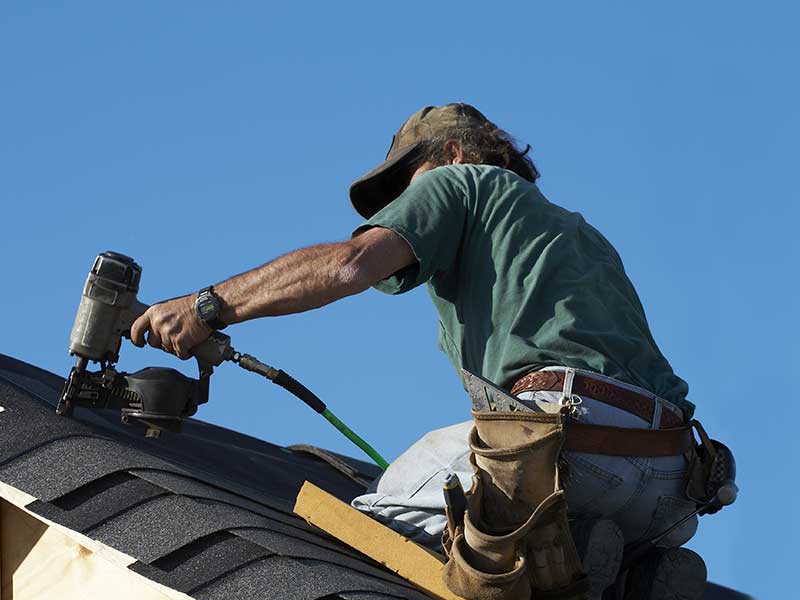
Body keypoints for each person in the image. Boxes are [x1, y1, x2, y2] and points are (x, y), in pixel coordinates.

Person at [131, 103, 707, 599]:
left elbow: (349, 265)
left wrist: (206, 308)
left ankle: (534, 540)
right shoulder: (579, 235)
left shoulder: (461, 182)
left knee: (375, 519)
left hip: (563, 443)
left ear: (454, 152)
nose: (404, 199)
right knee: (564, 560)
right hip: (671, 480)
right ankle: (618, 566)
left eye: (409, 180)